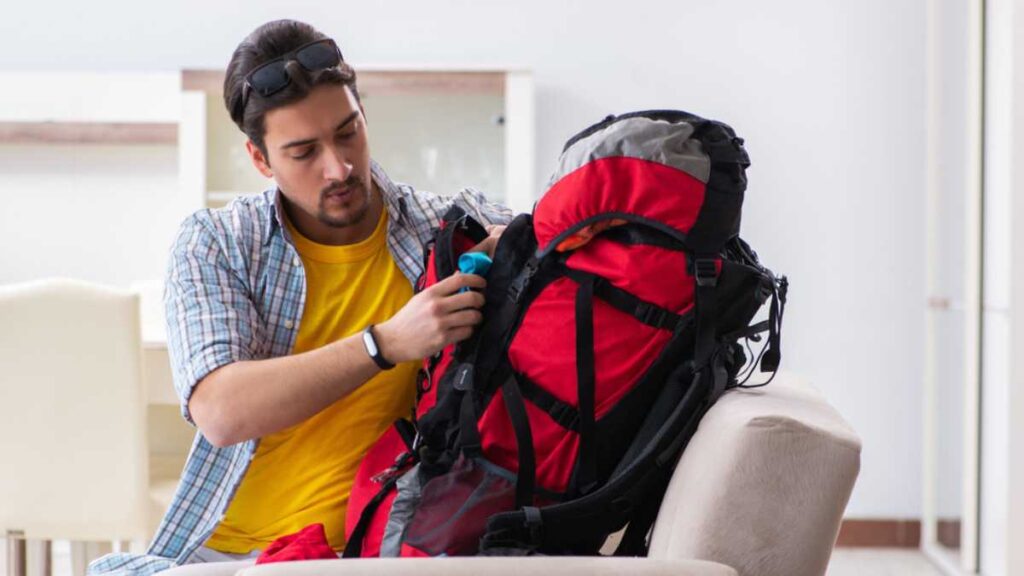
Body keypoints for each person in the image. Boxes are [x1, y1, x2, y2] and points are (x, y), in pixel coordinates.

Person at [89, 18, 513, 575]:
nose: (338, 167)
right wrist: (385, 343)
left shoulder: (445, 224)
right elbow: (219, 410)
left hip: (383, 549)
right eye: (303, 151)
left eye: (347, 132)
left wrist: (522, 246)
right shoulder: (218, 242)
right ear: (261, 160)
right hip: (233, 554)